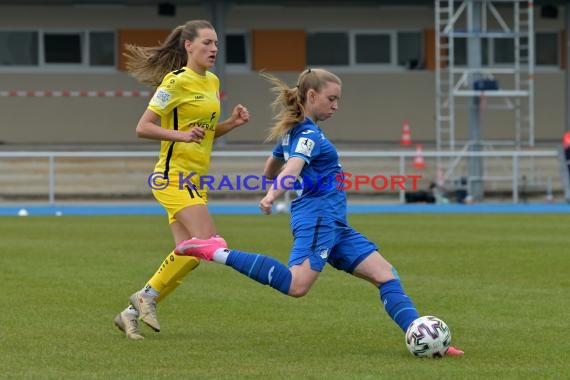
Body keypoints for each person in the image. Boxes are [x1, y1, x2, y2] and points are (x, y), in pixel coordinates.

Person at [174, 68, 464, 356]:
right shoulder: (308, 133)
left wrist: (280, 175)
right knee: (297, 285)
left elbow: (270, 169)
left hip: (334, 223)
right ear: (311, 96)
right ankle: (214, 250)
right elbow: (292, 167)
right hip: (318, 218)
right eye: (331, 99)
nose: (336, 106)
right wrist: (273, 193)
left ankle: (426, 338)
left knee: (385, 275)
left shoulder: (294, 133)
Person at [114, 20, 250, 340]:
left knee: (189, 255)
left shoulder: (213, 82)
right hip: (171, 177)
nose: (214, 49)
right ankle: (146, 297)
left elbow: (203, 134)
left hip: (195, 180)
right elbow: (143, 127)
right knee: (209, 241)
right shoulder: (175, 82)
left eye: (216, 43)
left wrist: (231, 123)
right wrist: (182, 135)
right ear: (188, 46)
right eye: (206, 43)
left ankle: (130, 313)